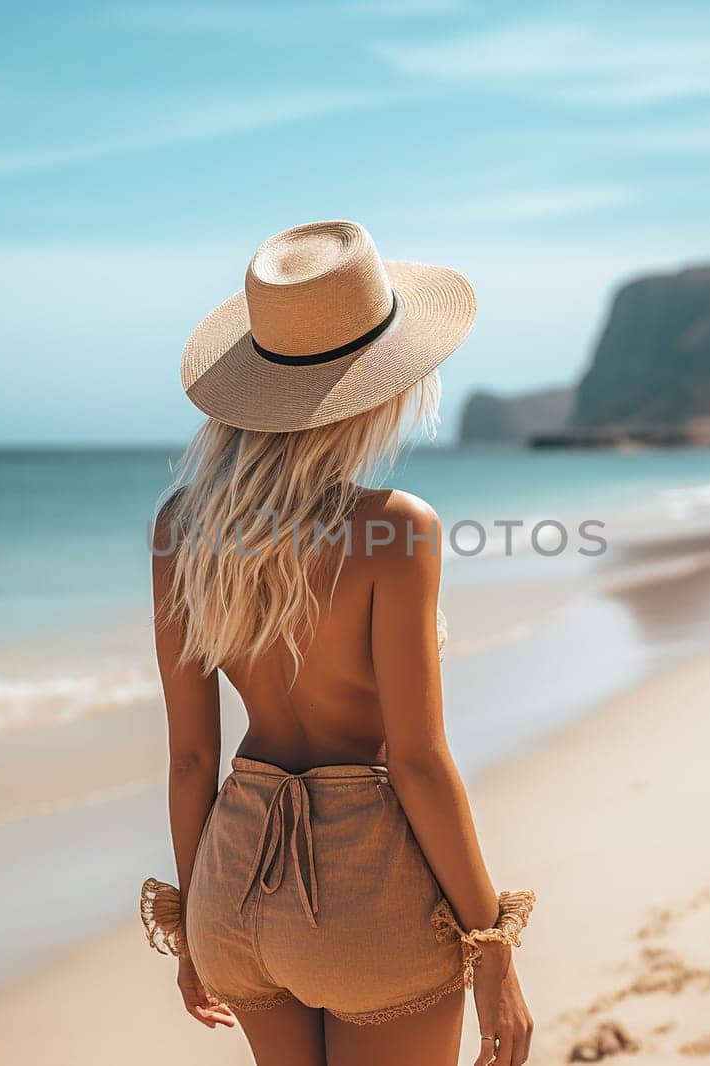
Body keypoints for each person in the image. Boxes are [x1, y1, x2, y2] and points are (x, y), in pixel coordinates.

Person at [141, 220, 533, 1066]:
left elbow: (187, 760)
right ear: (383, 385)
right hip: (368, 888)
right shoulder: (394, 529)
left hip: (233, 878)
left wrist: (194, 928)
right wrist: (493, 942)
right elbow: (420, 760)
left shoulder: (180, 530)